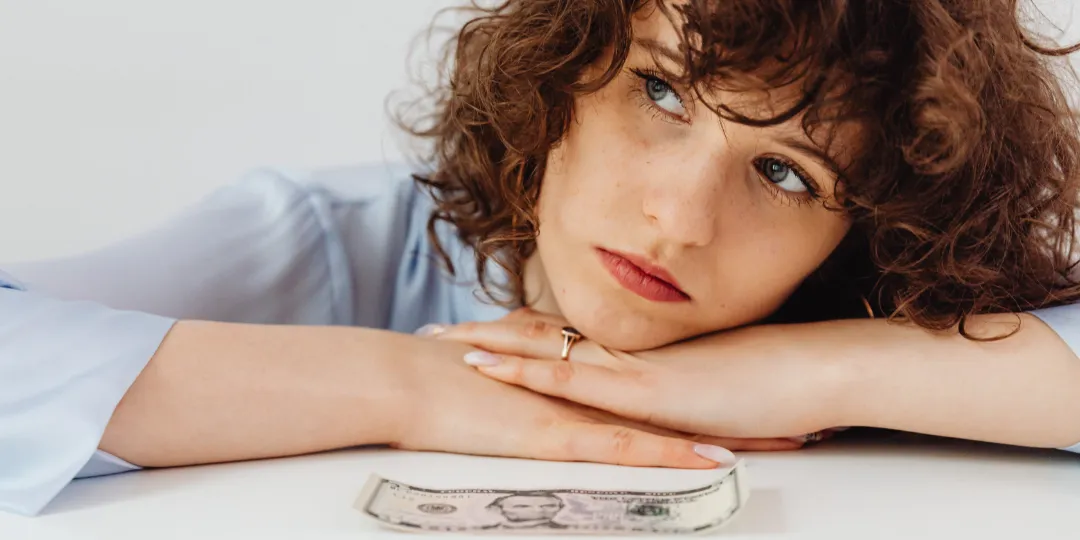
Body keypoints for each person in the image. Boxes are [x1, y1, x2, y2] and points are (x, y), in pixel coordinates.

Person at [3, 0, 1079, 517]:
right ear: (563, 71)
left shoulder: (863, 308)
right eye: (658, 94)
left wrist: (808, 369)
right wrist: (417, 385)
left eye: (788, 175)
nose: (679, 219)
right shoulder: (338, 237)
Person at [482, 492, 568, 530]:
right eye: (522, 506)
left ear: (561, 507)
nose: (538, 511)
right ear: (496, 509)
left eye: (549, 506)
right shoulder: (482, 532)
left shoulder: (569, 529)